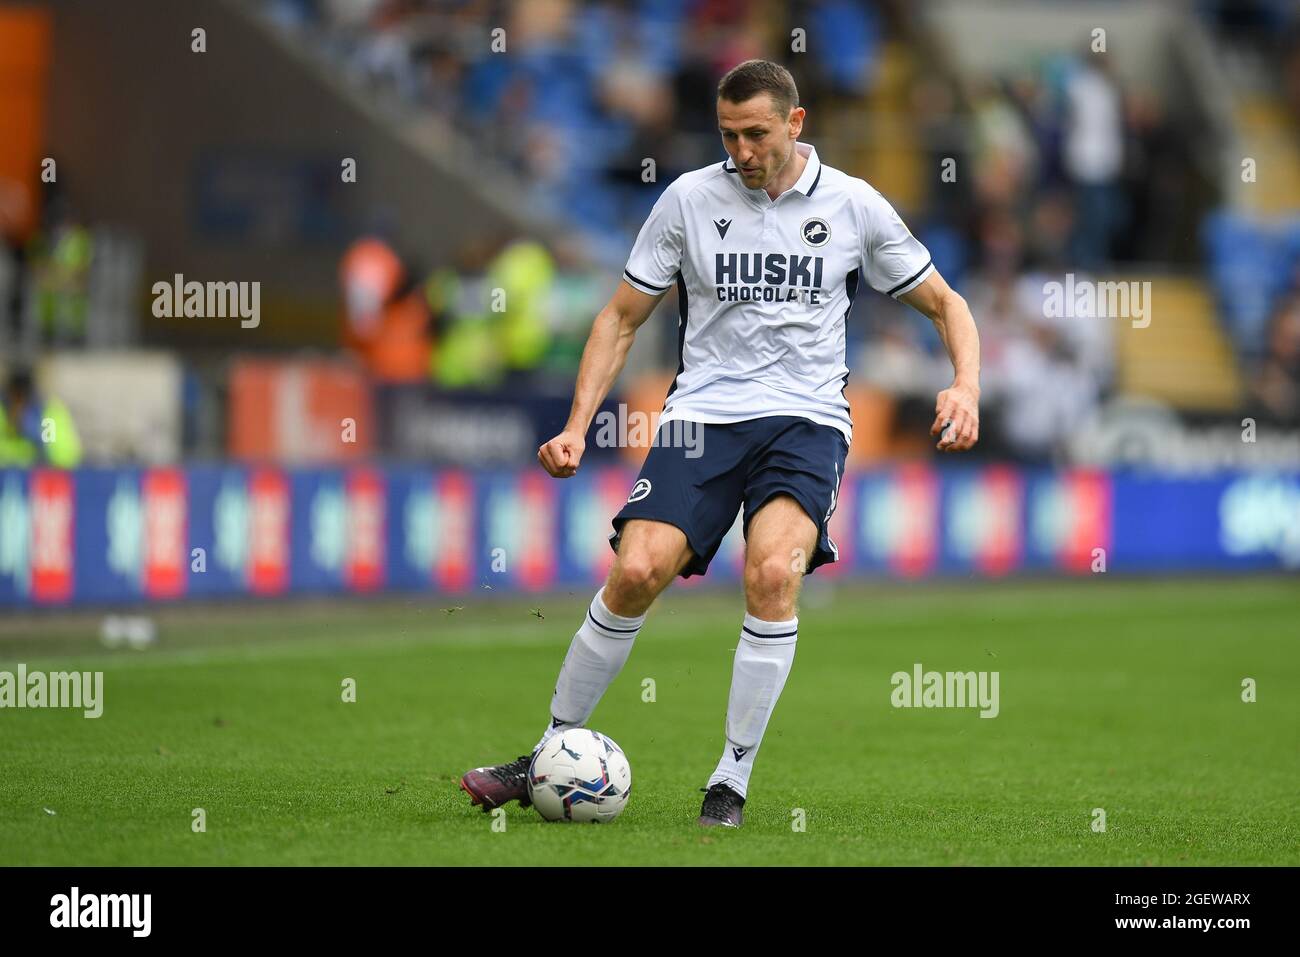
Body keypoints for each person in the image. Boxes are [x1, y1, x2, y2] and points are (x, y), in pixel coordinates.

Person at [460, 59, 980, 827]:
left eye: (757, 133)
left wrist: (965, 385)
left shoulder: (853, 205)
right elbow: (619, 318)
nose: (741, 149)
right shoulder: (688, 200)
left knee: (772, 571)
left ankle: (729, 779)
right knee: (635, 570)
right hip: (703, 417)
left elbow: (947, 303)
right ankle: (546, 750)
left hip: (806, 422)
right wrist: (576, 425)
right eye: (729, 134)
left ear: (795, 124)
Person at [0, 366, 82, 468]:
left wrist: (41, 439)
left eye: (23, 399)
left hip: (38, 477)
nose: (19, 406)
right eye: (15, 398)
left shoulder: (49, 413)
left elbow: (68, 457)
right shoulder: (2, 414)